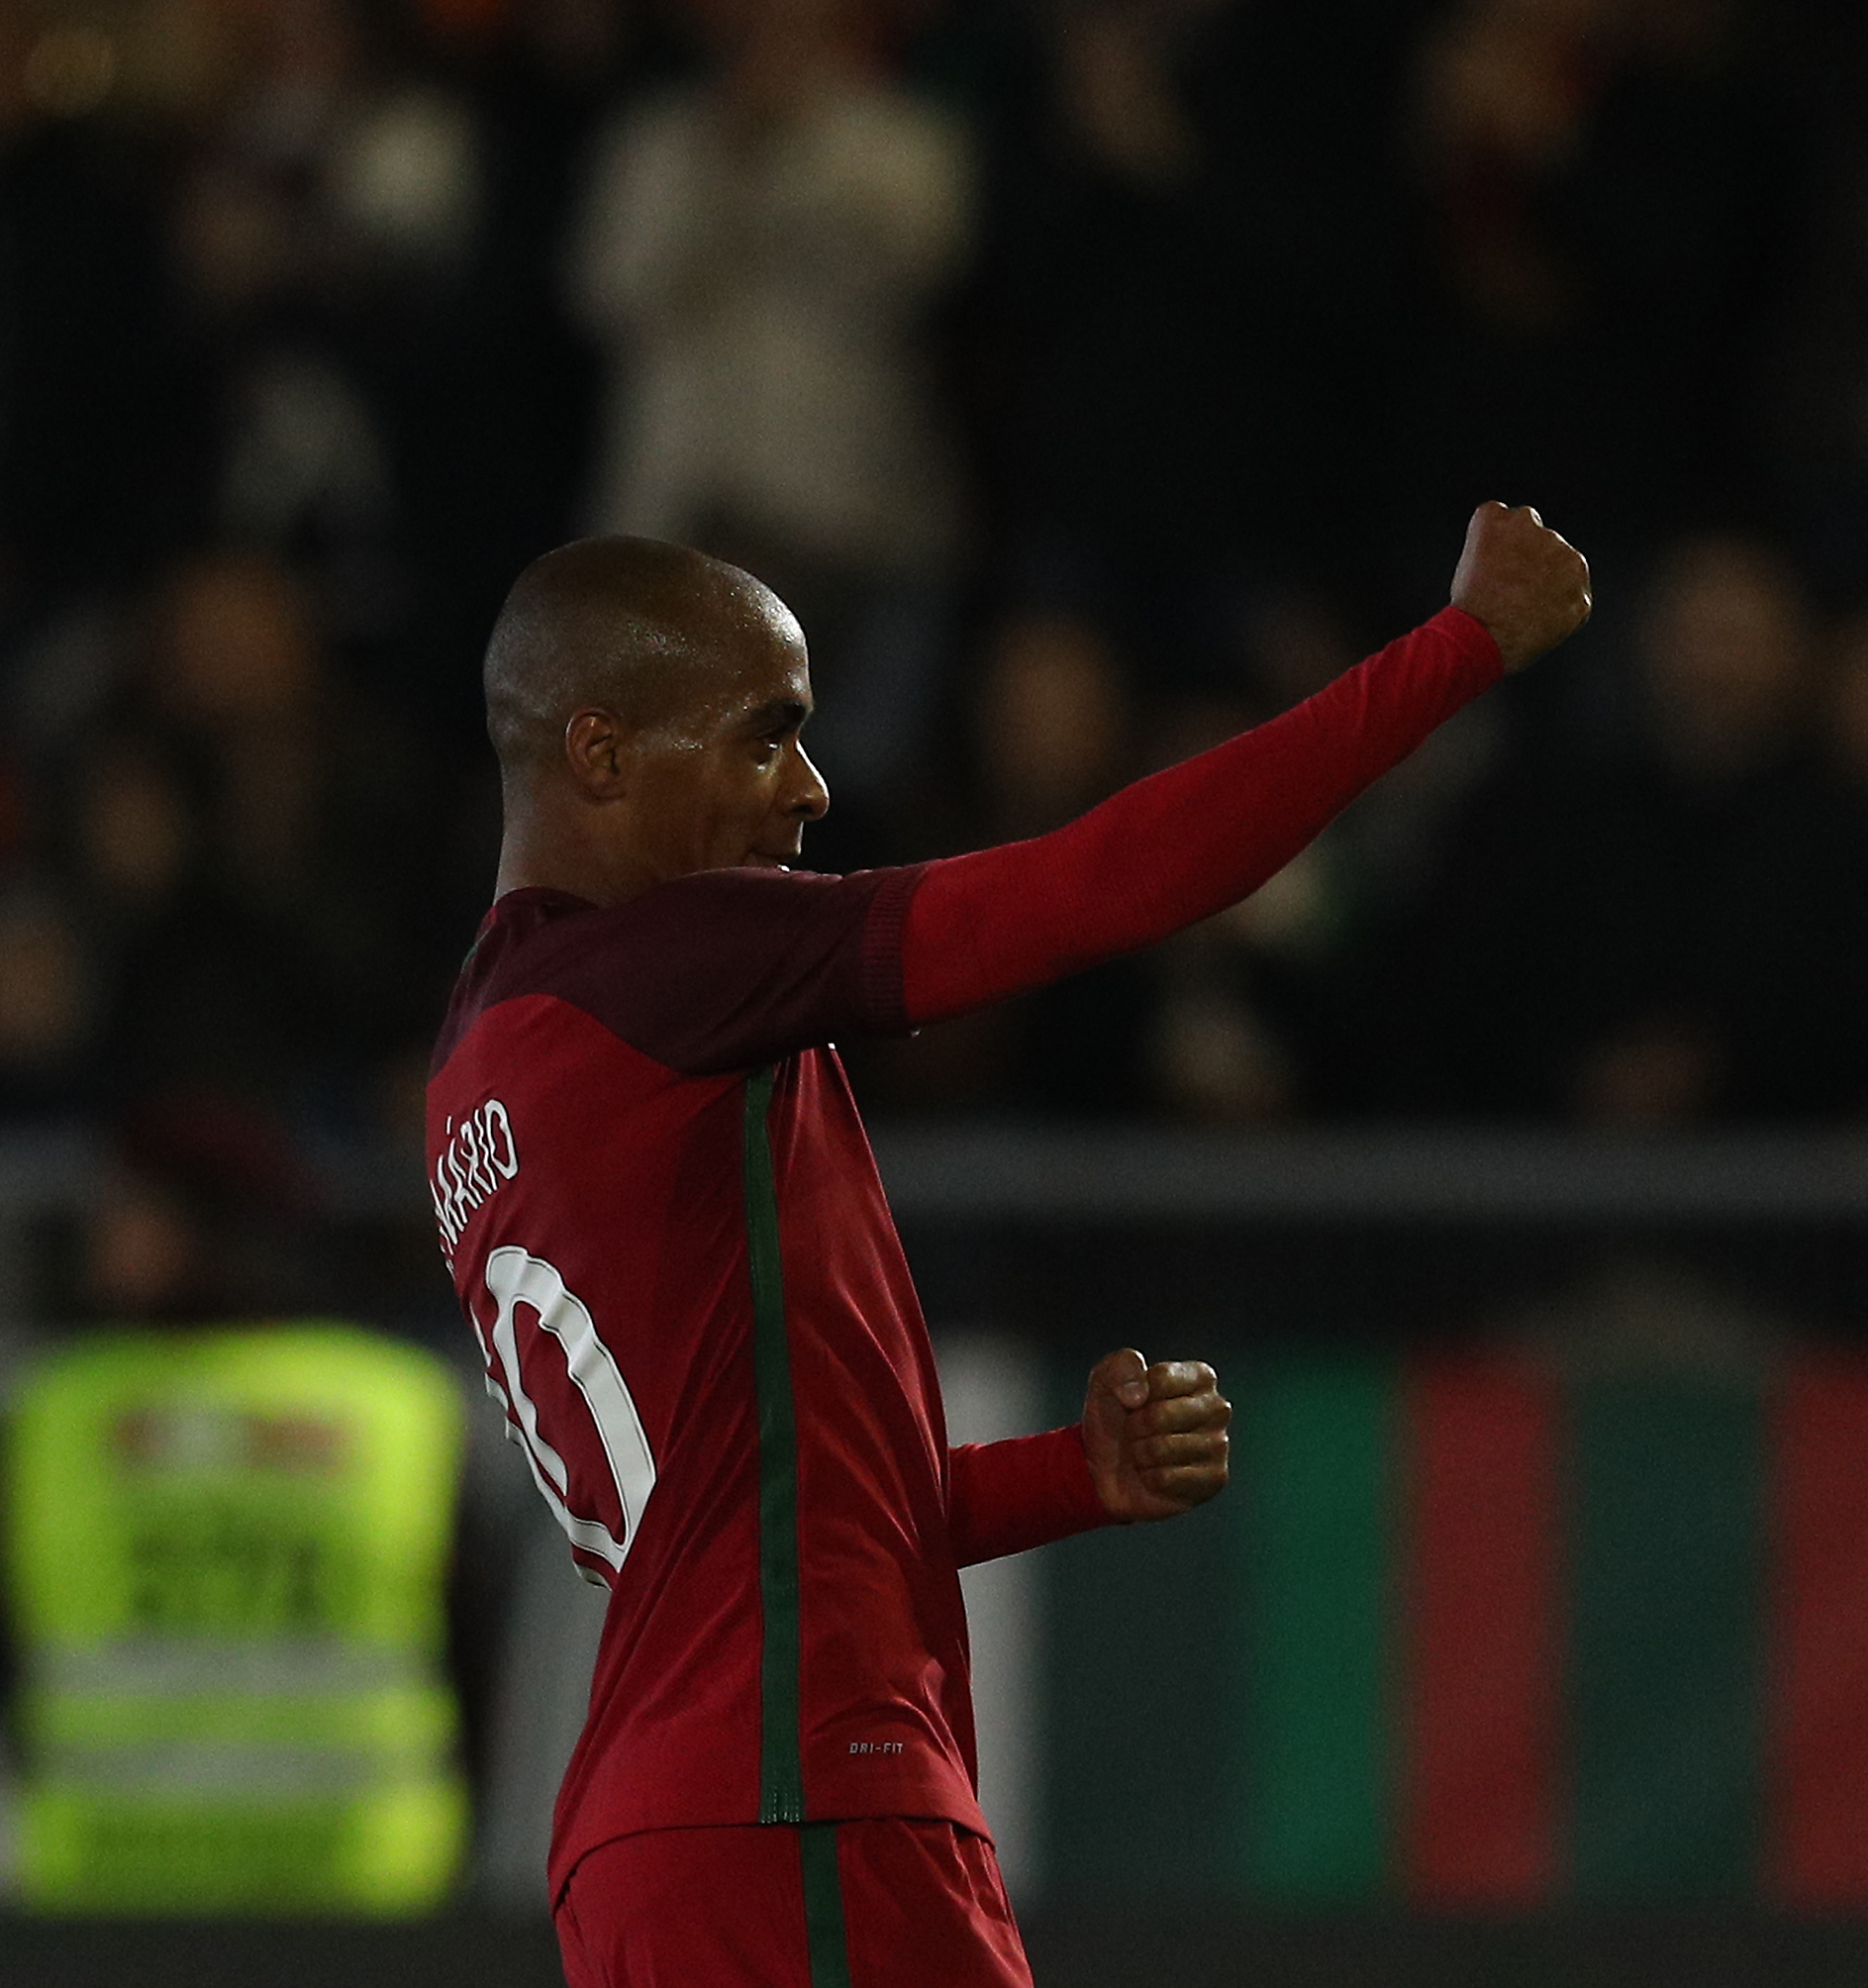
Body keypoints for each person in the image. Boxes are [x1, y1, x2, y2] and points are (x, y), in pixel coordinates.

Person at [424, 506, 1590, 1986]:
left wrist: (1062, 1478)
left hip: (651, 1846)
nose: (811, 788)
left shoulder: (476, 1067)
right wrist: (1458, 648)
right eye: (763, 738)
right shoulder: (668, 969)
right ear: (599, 753)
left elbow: (748, 1509)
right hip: (806, 1804)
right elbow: (1102, 882)